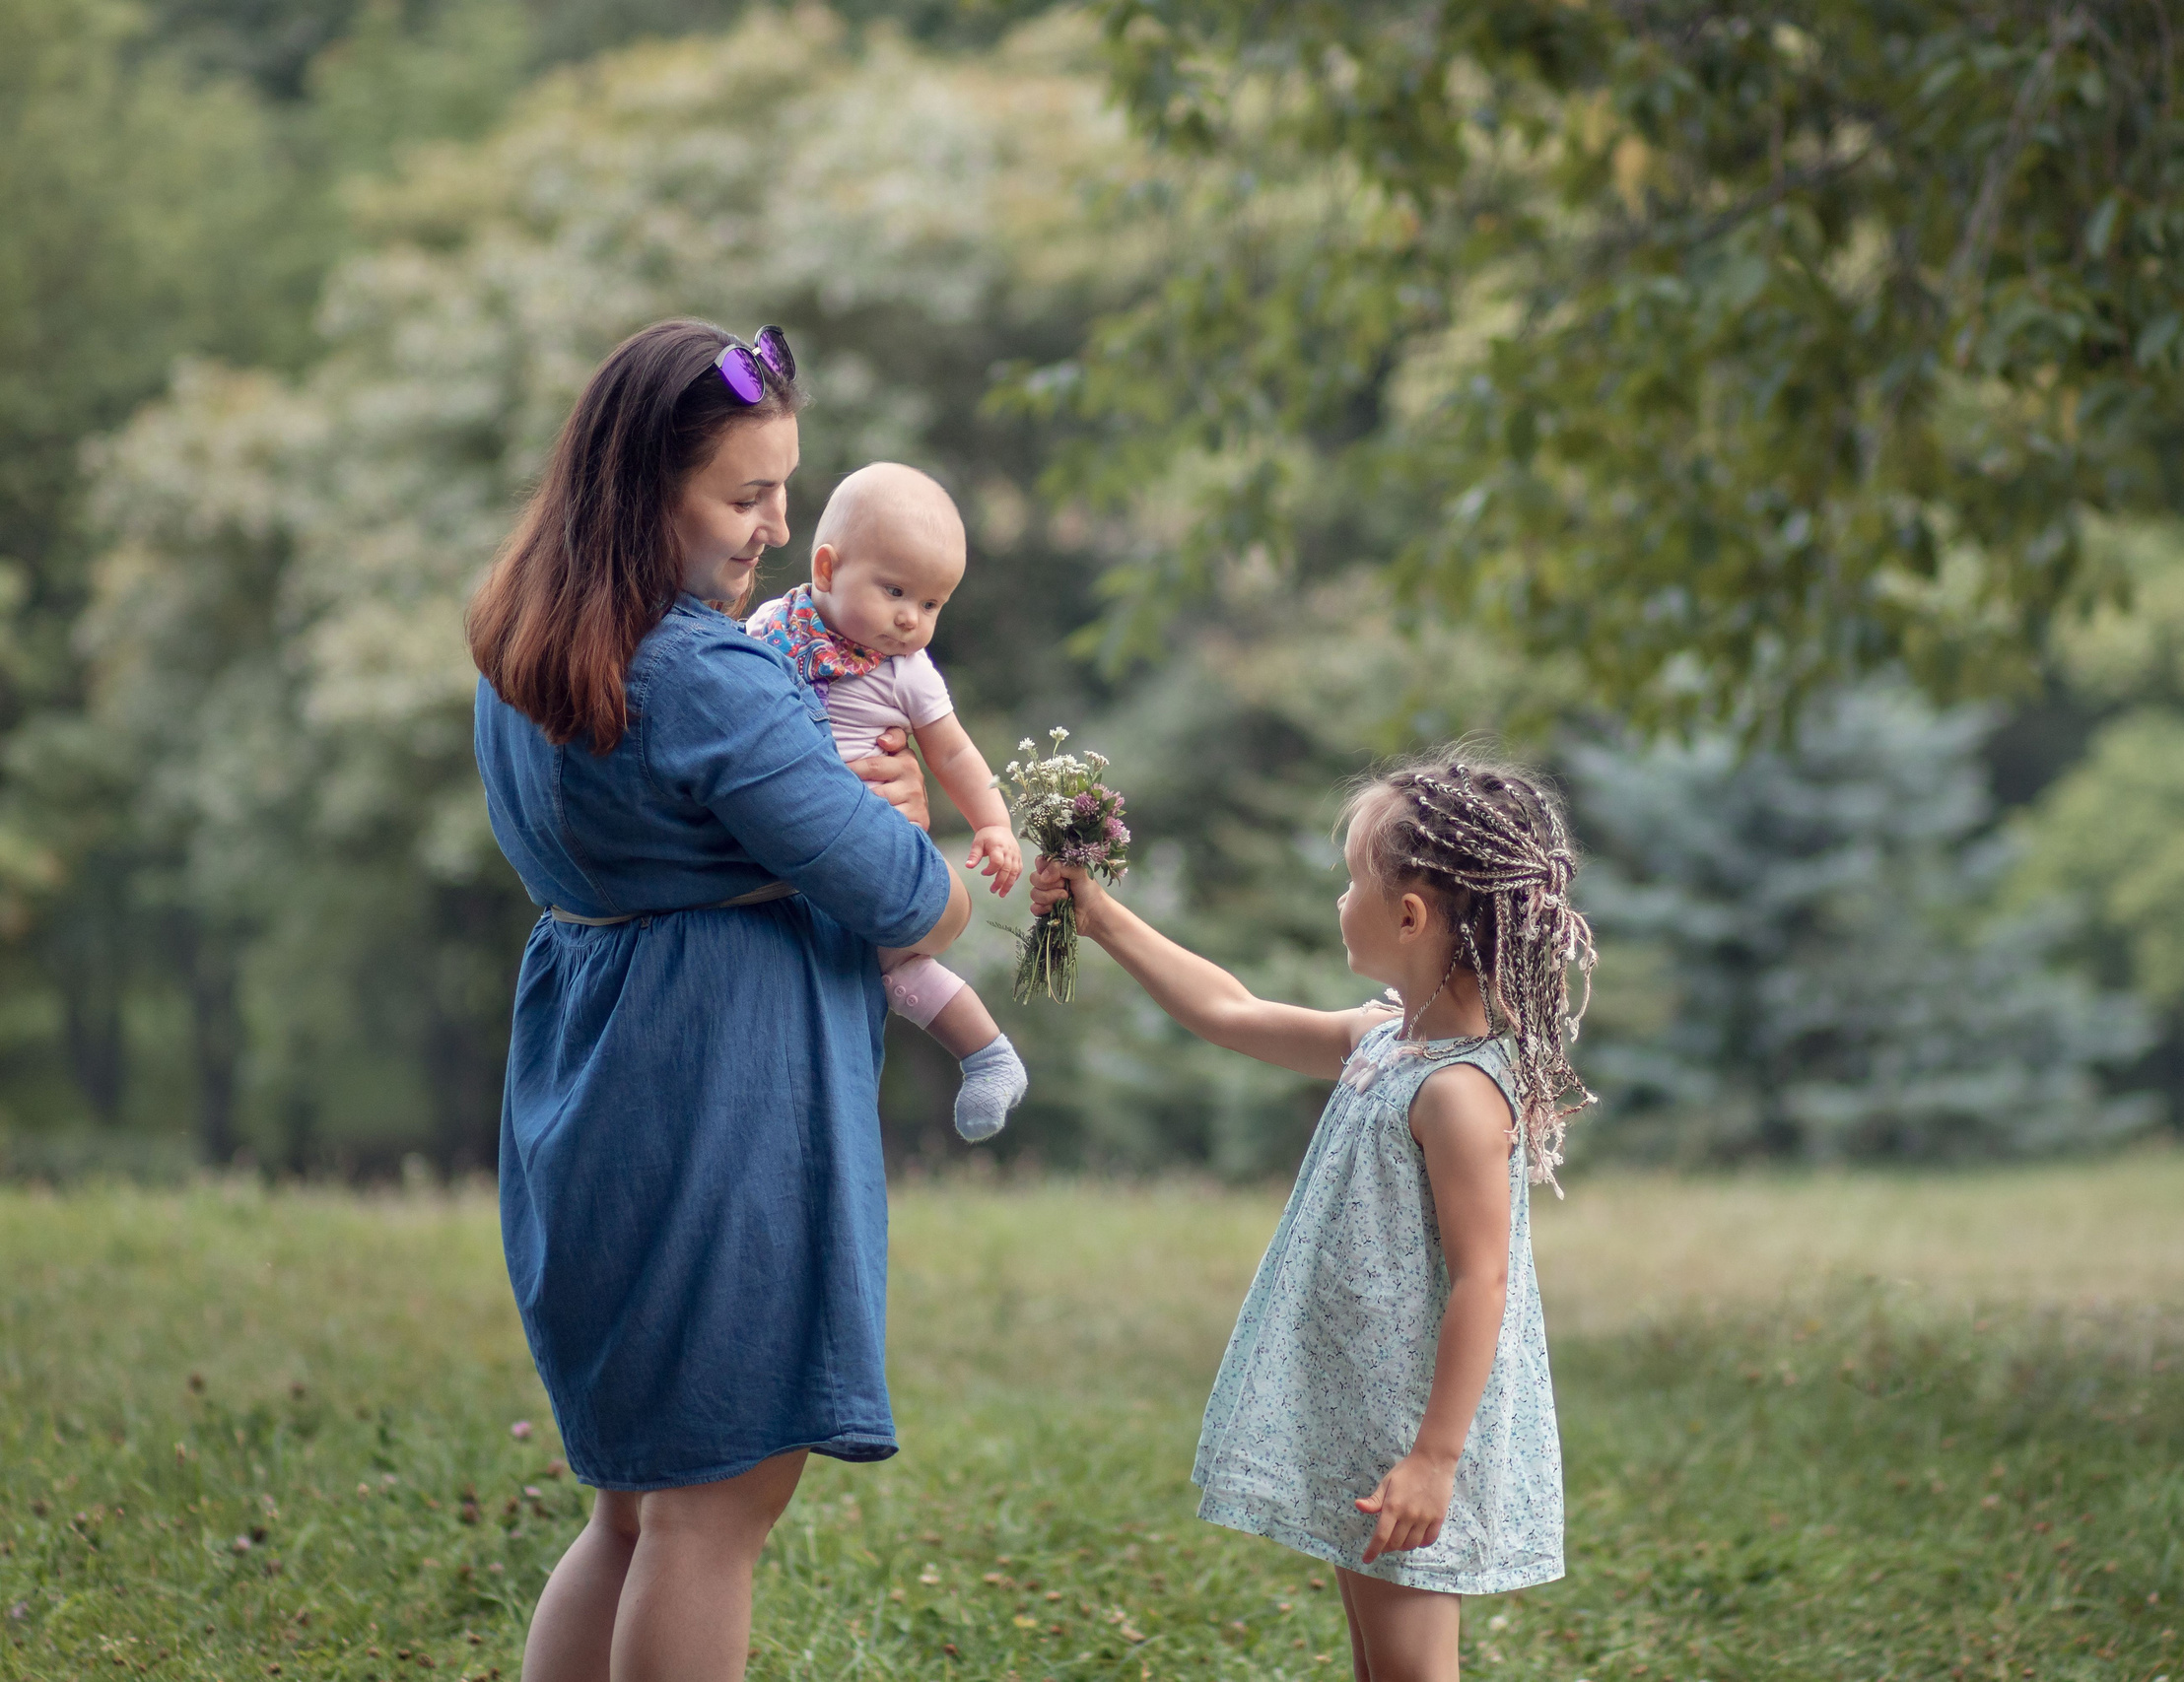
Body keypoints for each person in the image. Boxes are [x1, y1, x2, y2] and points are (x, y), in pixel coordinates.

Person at [467, 317, 971, 1682]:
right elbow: (918, 903)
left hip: (589, 1086)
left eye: (784, 490)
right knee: (715, 1511)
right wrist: (903, 833)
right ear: (644, 491)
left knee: (633, 1503)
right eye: (743, 495)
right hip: (720, 1107)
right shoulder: (712, 674)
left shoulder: (523, 640)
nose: (773, 528)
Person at [1028, 755, 1597, 1682]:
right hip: (1368, 1408)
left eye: (1350, 881)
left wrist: (1435, 1459)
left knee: (1414, 1667)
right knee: (1380, 1662)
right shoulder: (1383, 1041)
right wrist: (1098, 916)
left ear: (1409, 915)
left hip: (1415, 1425)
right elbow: (1230, 1009)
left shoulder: (1458, 1091)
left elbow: (1482, 1278)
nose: (1340, 899)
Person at [744, 462, 1027, 1141]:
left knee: (900, 963)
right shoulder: (769, 631)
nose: (910, 619)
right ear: (826, 567)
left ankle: (986, 1053)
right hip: (789, 852)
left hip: (869, 843)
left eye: (931, 605)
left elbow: (953, 753)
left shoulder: (906, 673)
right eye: (895, 590)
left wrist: (994, 822)